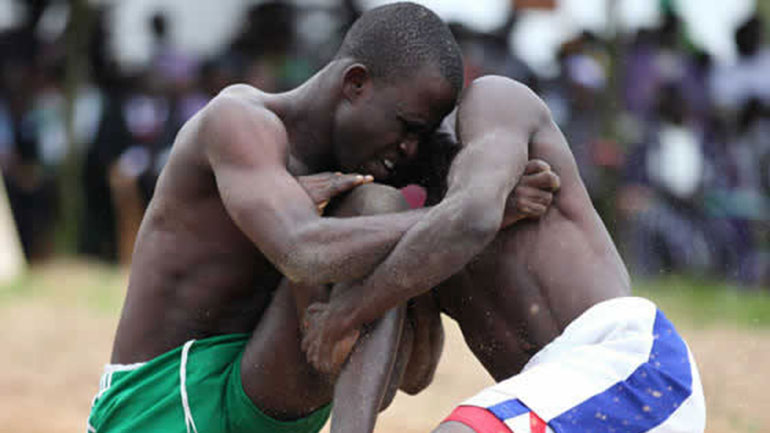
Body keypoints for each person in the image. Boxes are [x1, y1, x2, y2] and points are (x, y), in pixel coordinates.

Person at [85, 4, 559, 433]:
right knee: (378, 217)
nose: (409, 149)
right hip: (163, 401)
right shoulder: (239, 123)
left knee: (380, 214)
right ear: (354, 83)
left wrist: (450, 221)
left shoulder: (371, 176)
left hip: (263, 399)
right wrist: (467, 215)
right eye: (407, 127)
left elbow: (413, 377)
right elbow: (302, 251)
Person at [301, 75, 706, 433]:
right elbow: (413, 377)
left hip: (630, 371)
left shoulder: (496, 103)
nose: (396, 150)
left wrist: (347, 312)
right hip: (560, 409)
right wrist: (388, 295)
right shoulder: (425, 249)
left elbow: (472, 216)